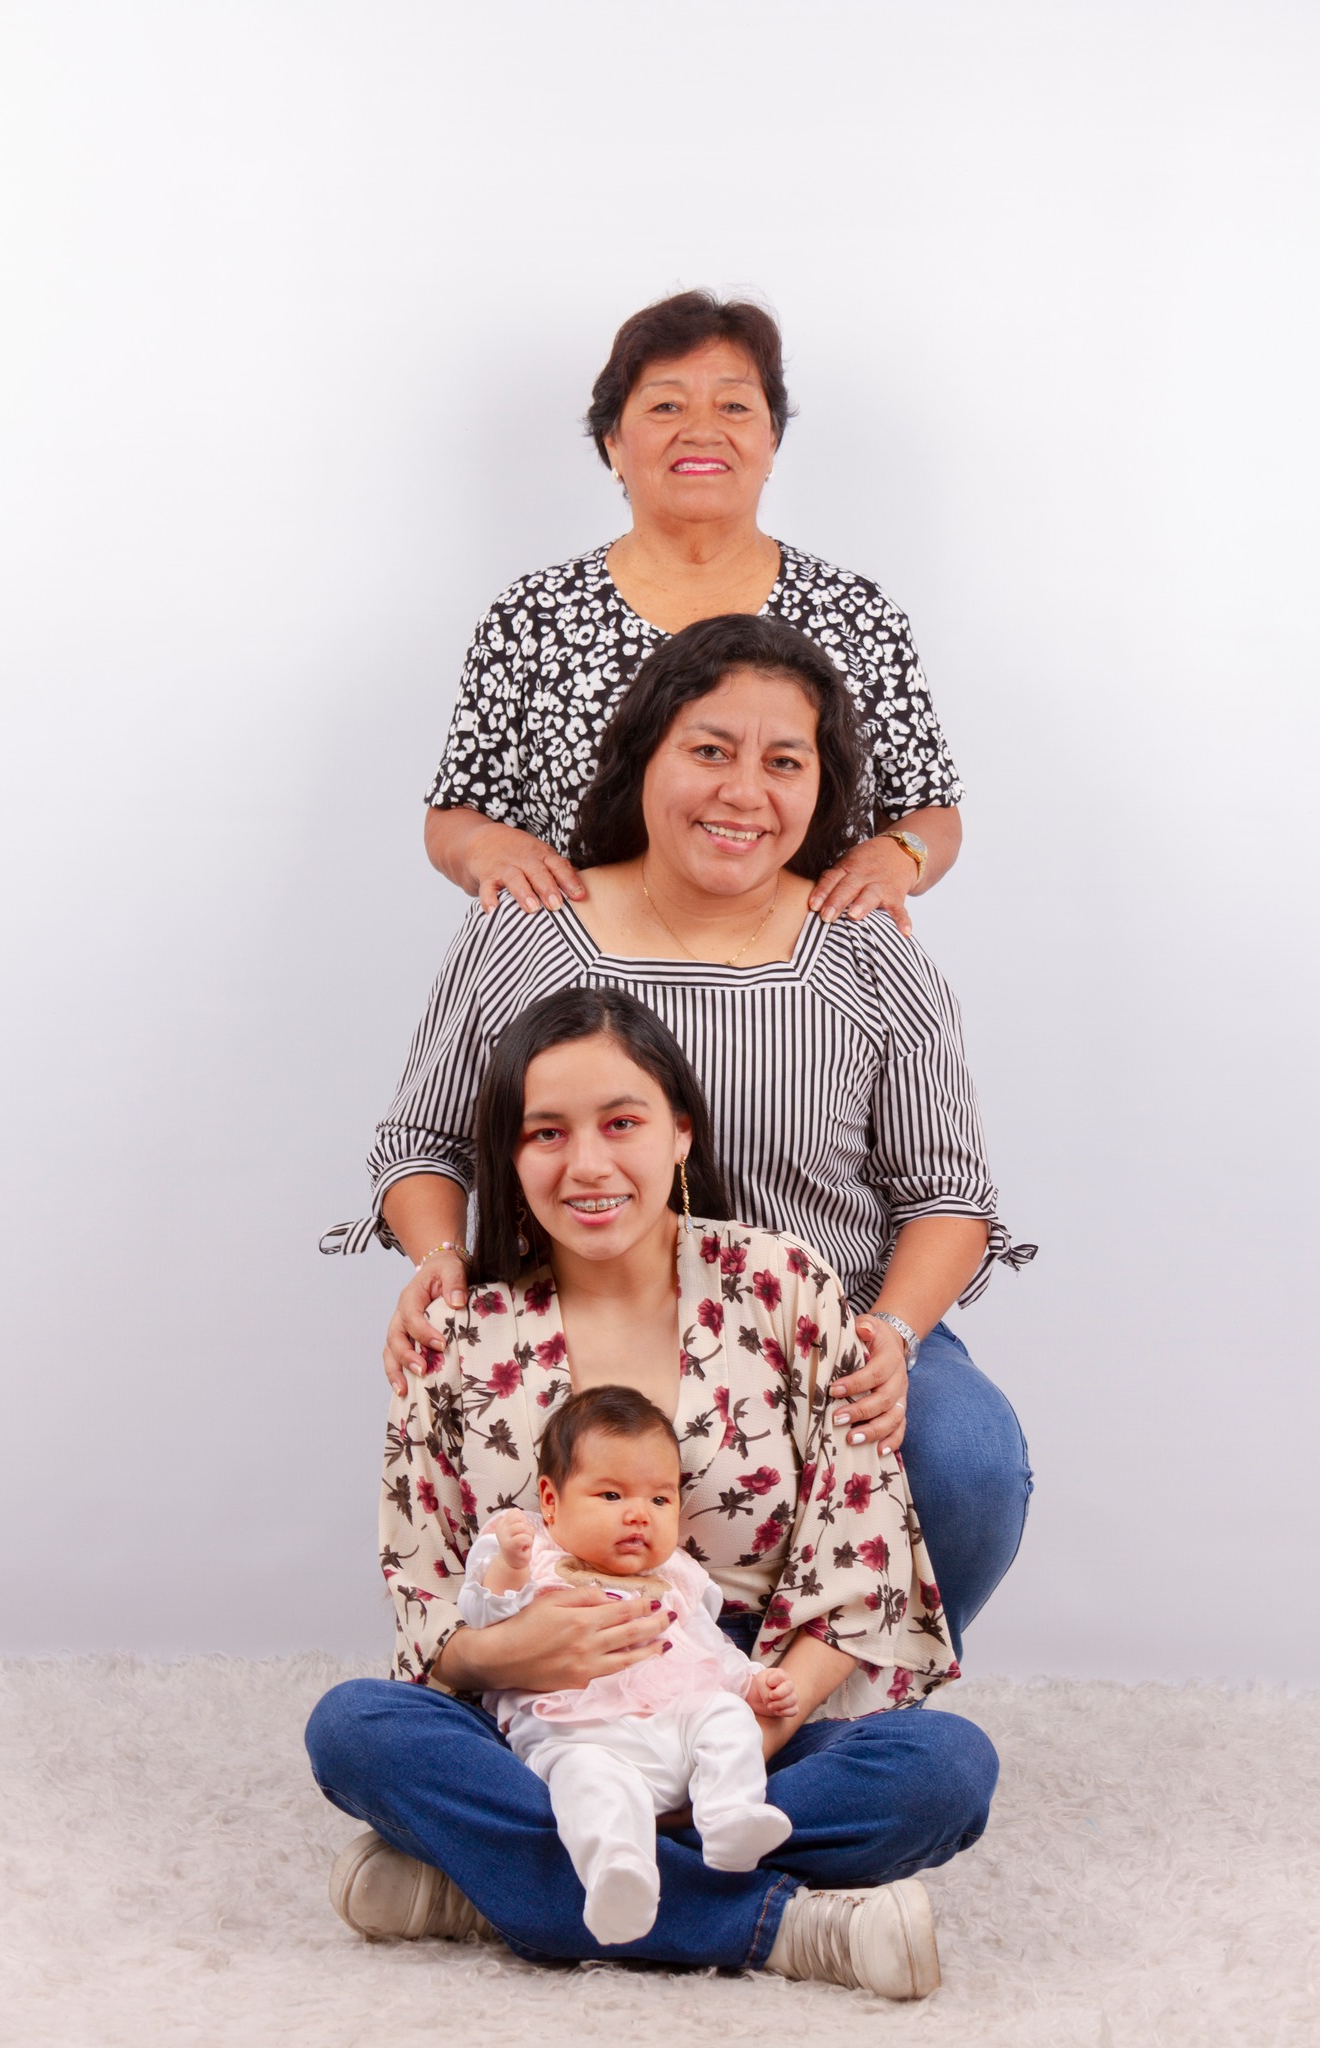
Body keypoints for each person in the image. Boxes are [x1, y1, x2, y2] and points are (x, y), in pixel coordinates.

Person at [322, 612, 1034, 1659]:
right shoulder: (524, 923)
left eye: (783, 761)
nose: (745, 791)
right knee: (388, 1708)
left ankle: (816, 1700)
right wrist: (440, 1264)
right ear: (643, 753)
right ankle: (561, 1705)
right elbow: (422, 1141)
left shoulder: (869, 950)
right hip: (573, 1313)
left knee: (966, 1456)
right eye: (710, 749)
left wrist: (894, 1334)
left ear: (819, 788)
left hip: (828, 1327)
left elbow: (948, 1196)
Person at [307, 987, 983, 1996]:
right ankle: (783, 1925)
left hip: (743, 1700)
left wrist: (718, 1751)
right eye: (546, 1132)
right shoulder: (456, 1335)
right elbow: (425, 1601)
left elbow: (858, 1555)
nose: (586, 1165)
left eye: (621, 1122)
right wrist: (510, 1651)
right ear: (509, 1153)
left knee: (945, 1767)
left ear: (680, 1131)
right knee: (355, 1729)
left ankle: (501, 1878)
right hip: (544, 1719)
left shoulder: (785, 1285)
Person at [423, 288, 962, 939]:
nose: (701, 428)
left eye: (734, 405)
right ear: (612, 443)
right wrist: (485, 849)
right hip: (576, 980)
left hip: (801, 974)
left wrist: (898, 855)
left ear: (771, 440)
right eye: (665, 405)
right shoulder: (530, 616)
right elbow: (457, 813)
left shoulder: (859, 616)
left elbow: (930, 810)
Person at [462, 1386, 800, 1945]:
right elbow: (481, 1616)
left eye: (660, 1501)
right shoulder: (532, 1551)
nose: (639, 1516)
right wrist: (508, 1566)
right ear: (550, 1500)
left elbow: (708, 1646)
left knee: (724, 1716)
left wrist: (753, 1684)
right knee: (588, 1787)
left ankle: (729, 1817)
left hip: (673, 1729)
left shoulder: (675, 1576)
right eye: (613, 1495)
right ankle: (621, 1874)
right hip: (581, 1735)